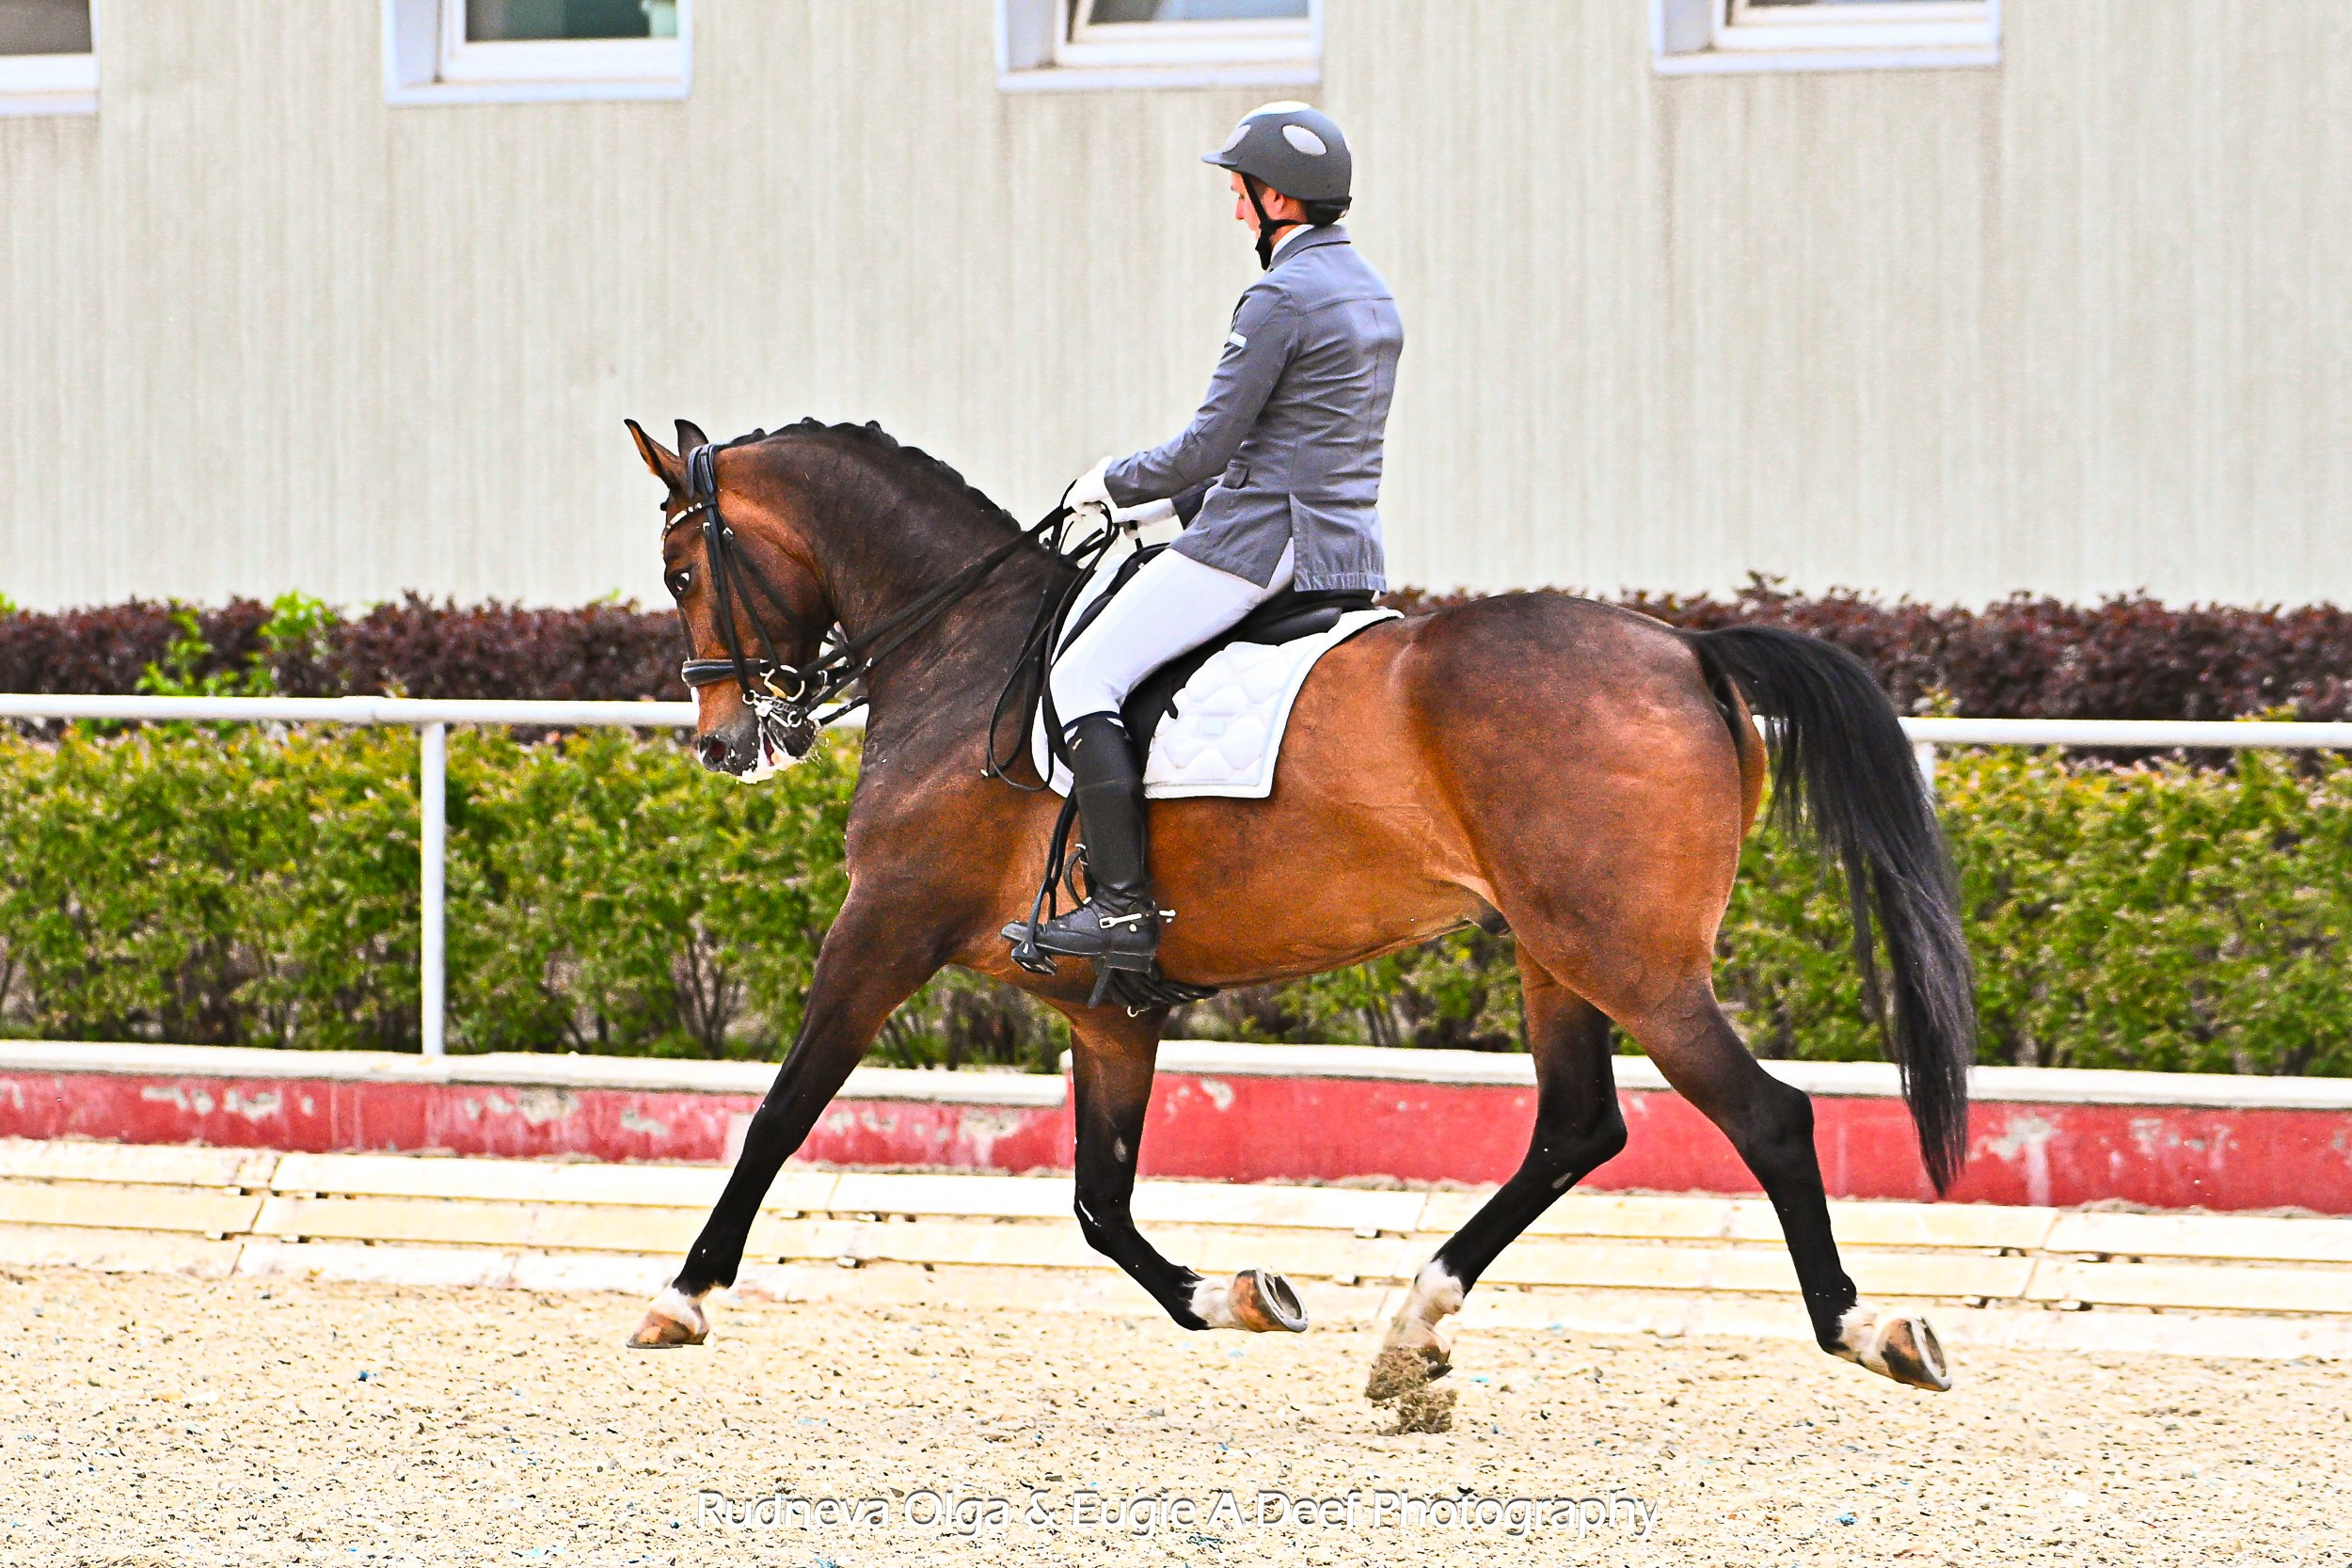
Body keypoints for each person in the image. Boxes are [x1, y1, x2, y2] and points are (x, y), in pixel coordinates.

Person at [1008, 102, 1405, 993]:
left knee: (1081, 677)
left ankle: (1121, 905)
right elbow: (1298, 439)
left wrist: (1109, 483)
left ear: (1278, 199)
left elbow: (1209, 445)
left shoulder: (1280, 296)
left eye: (1241, 190)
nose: (1235, 207)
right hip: (1341, 548)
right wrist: (1173, 509)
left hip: (1260, 543)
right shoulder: (1368, 288)